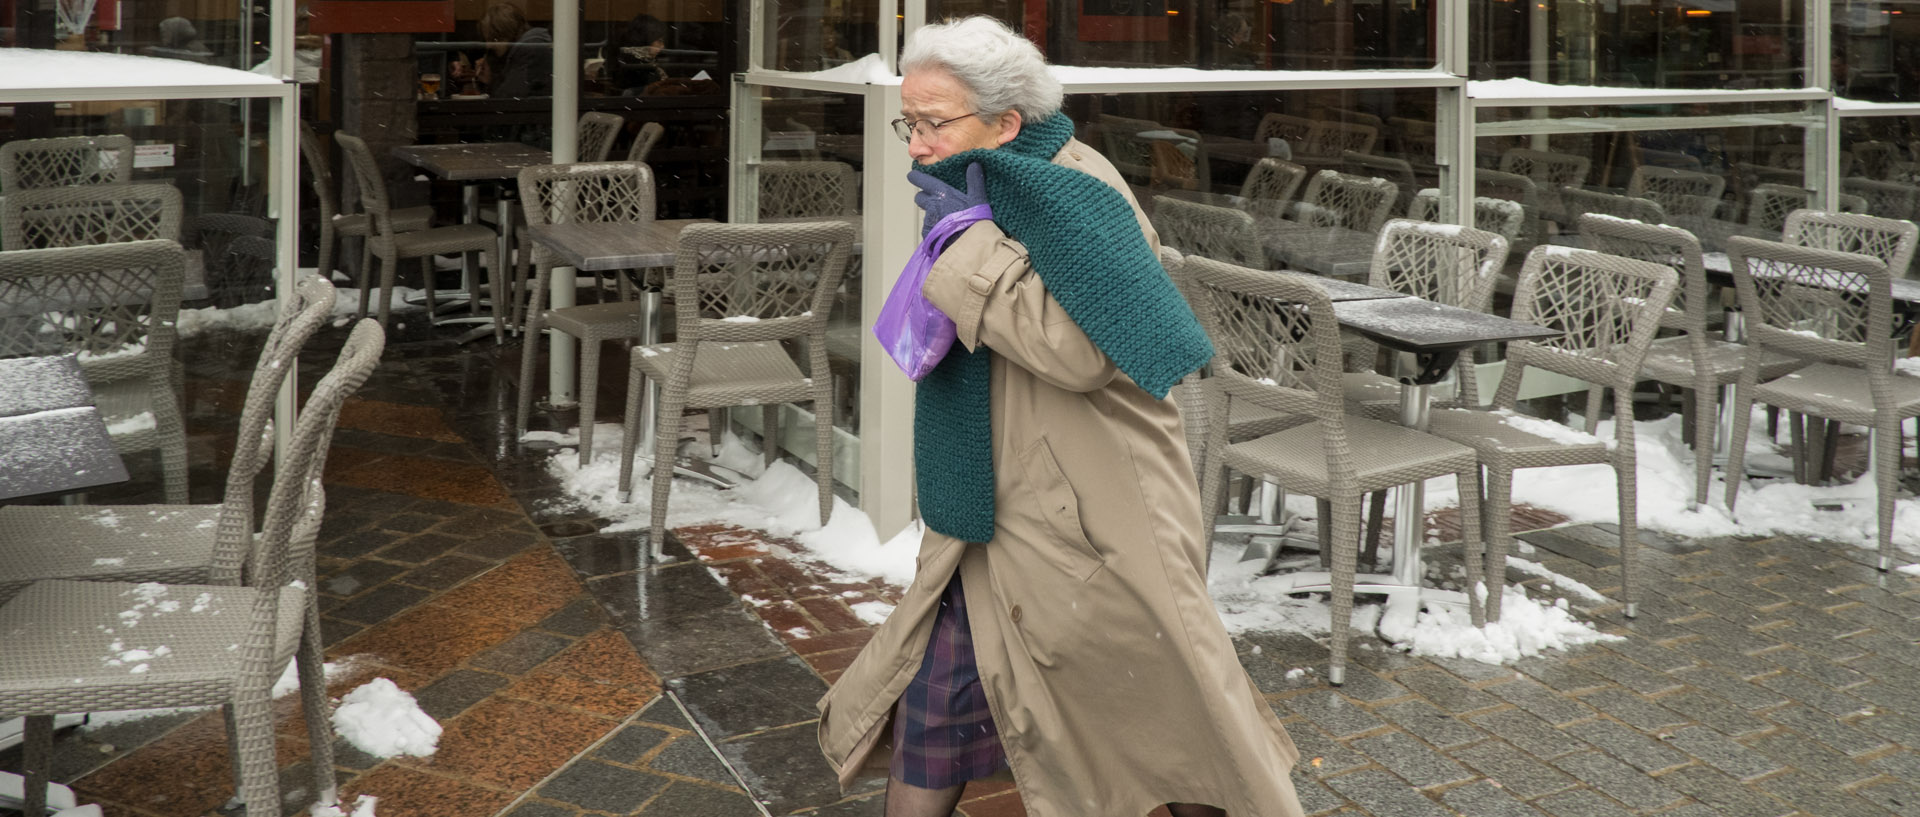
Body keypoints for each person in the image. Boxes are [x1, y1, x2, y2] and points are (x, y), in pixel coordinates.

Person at [814, 15, 1306, 817]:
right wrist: (961, 233)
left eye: (933, 123)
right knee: (934, 705)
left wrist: (961, 247)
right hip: (988, 513)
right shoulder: (989, 183)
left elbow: (1079, 353)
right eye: (910, 121)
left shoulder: (1077, 192)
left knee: (1172, 727)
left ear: (1006, 122)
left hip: (1094, 518)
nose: (915, 144)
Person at [604, 13, 671, 93]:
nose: (662, 46)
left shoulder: (626, 60)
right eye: (659, 41)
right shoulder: (639, 68)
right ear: (646, 40)